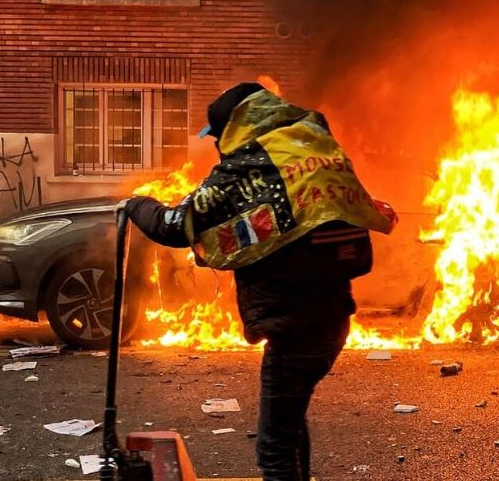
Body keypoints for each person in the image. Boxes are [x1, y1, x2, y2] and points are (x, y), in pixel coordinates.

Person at [123, 82, 396, 481]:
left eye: (218, 135)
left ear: (233, 128)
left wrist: (137, 204)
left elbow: (174, 226)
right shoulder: (312, 149)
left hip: (293, 325)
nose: (217, 144)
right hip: (332, 317)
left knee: (274, 449)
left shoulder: (248, 166)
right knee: (290, 423)